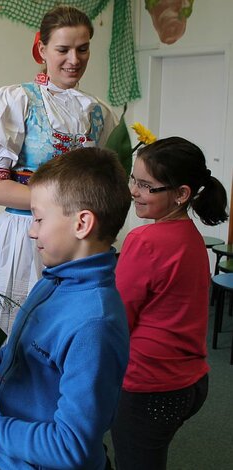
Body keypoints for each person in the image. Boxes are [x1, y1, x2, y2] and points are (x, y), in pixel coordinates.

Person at [0, 147, 131, 470]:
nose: (31, 230)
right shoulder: (51, 281)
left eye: (38, 218)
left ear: (82, 223)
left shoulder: (94, 324)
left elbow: (71, 447)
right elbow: (19, 364)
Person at [0, 5, 117, 406]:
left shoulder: (98, 112)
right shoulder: (17, 102)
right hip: (22, 235)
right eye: (63, 49)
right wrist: (63, 205)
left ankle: (59, 416)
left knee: (66, 331)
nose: (74, 59)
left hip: (77, 240)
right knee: (15, 328)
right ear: (41, 49)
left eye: (83, 49)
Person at [111, 137, 228, 470]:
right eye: (133, 179)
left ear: (181, 194)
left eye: (147, 186)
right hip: (192, 382)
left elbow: (119, 318)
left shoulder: (144, 241)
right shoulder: (191, 235)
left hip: (151, 386)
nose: (134, 190)